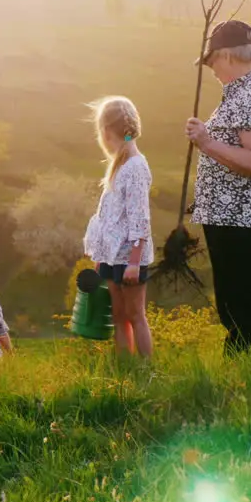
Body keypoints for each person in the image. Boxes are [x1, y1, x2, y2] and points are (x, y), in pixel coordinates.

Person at [183, 19, 251, 355]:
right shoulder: (247, 90)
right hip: (235, 215)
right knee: (240, 298)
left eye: (213, 60)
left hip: (244, 217)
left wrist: (206, 143)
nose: (213, 69)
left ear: (227, 56)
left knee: (245, 301)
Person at [82, 96, 154, 358]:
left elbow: (139, 217)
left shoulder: (135, 166)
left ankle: (147, 371)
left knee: (136, 315)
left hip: (129, 255)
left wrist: (135, 261)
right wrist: (101, 258)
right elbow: (109, 216)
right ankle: (126, 370)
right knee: (119, 316)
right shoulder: (119, 164)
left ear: (105, 131)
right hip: (112, 254)